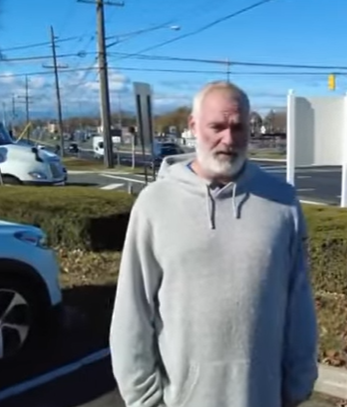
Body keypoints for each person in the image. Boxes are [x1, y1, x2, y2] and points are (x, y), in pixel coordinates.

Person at [110, 81, 319, 407]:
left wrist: (298, 383)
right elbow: (133, 310)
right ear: (193, 127)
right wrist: (144, 400)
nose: (228, 139)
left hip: (263, 397)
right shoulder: (155, 203)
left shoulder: (283, 202)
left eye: (238, 127)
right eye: (217, 126)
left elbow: (299, 302)